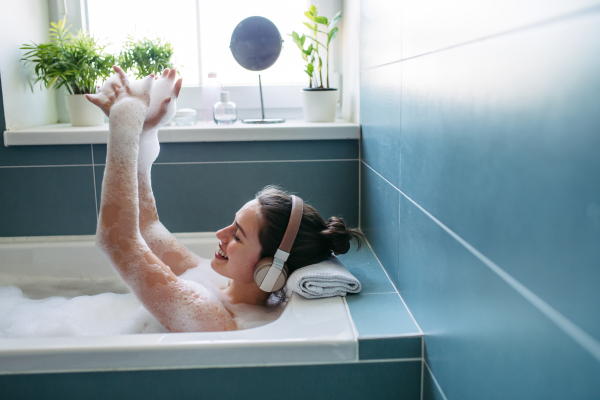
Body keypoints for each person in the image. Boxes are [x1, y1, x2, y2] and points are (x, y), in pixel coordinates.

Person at [86, 66, 363, 333]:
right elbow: (147, 228)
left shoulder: (213, 318)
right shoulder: (216, 280)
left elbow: (116, 241)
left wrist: (125, 120)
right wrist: (145, 132)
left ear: (270, 269)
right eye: (233, 224)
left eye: (238, 237)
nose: (221, 234)